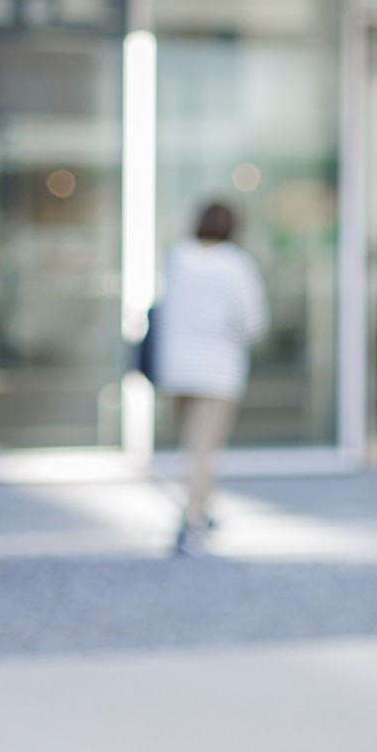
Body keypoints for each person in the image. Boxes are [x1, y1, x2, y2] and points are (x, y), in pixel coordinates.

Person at [156, 201, 268, 555]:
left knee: (191, 448)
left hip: (176, 367)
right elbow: (253, 322)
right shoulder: (236, 264)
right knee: (205, 448)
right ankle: (192, 523)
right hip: (218, 369)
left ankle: (203, 509)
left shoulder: (178, 258)